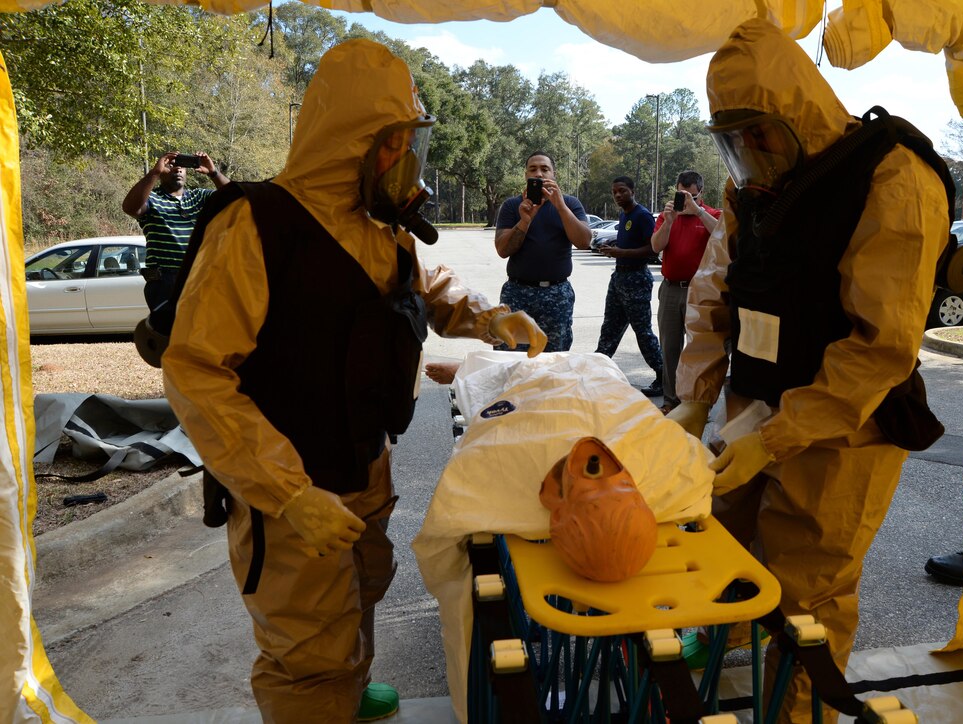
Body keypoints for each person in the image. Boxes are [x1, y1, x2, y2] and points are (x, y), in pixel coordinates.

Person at [161, 38, 546, 724]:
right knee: (307, 653)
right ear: (357, 143)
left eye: (407, 143)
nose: (405, 161)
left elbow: (426, 289)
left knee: (364, 587)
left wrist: (493, 316)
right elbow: (196, 374)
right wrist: (287, 494)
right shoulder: (257, 226)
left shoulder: (382, 228)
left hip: (366, 463)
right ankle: (322, 702)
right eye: (395, 143)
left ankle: (349, 690)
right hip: (291, 489)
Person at [668, 19, 950, 722]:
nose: (748, 154)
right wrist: (695, 398)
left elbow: (879, 345)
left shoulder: (892, 178)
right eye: (732, 140)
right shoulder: (754, 187)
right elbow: (715, 290)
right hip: (753, 404)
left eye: (757, 133)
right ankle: (722, 649)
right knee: (720, 544)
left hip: (841, 430)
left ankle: (798, 714)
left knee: (808, 597)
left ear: (794, 112)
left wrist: (781, 433)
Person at [494, 151, 592, 352]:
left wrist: (561, 207)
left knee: (555, 359)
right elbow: (503, 250)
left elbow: (584, 241)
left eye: (544, 169)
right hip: (517, 294)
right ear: (526, 176)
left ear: (554, 174)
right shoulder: (513, 206)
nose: (539, 174)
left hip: (557, 294)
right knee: (510, 356)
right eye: (533, 169)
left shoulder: (570, 204)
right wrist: (524, 221)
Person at [650, 170, 722, 413]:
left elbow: (724, 237)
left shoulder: (712, 214)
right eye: (681, 194)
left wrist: (698, 212)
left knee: (699, 351)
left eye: (691, 195)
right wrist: (669, 221)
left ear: (701, 193)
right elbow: (656, 246)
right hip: (671, 288)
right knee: (669, 348)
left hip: (701, 292)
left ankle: (697, 405)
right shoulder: (667, 215)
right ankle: (671, 401)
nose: (686, 200)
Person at [121, 150, 229, 311]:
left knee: (200, 333)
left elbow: (235, 198)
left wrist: (213, 173)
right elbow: (130, 207)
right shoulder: (152, 199)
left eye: (182, 167)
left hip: (199, 277)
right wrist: (154, 172)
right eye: (171, 165)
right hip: (164, 283)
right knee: (168, 333)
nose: (178, 169)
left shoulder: (199, 197)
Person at [594, 176, 664, 396]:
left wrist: (621, 253)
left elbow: (652, 250)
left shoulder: (642, 216)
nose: (617, 195)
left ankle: (664, 377)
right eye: (614, 191)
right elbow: (628, 242)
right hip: (619, 278)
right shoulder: (623, 215)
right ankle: (596, 373)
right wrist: (614, 245)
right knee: (609, 329)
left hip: (636, 279)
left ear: (633, 191)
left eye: (622, 191)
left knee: (643, 332)